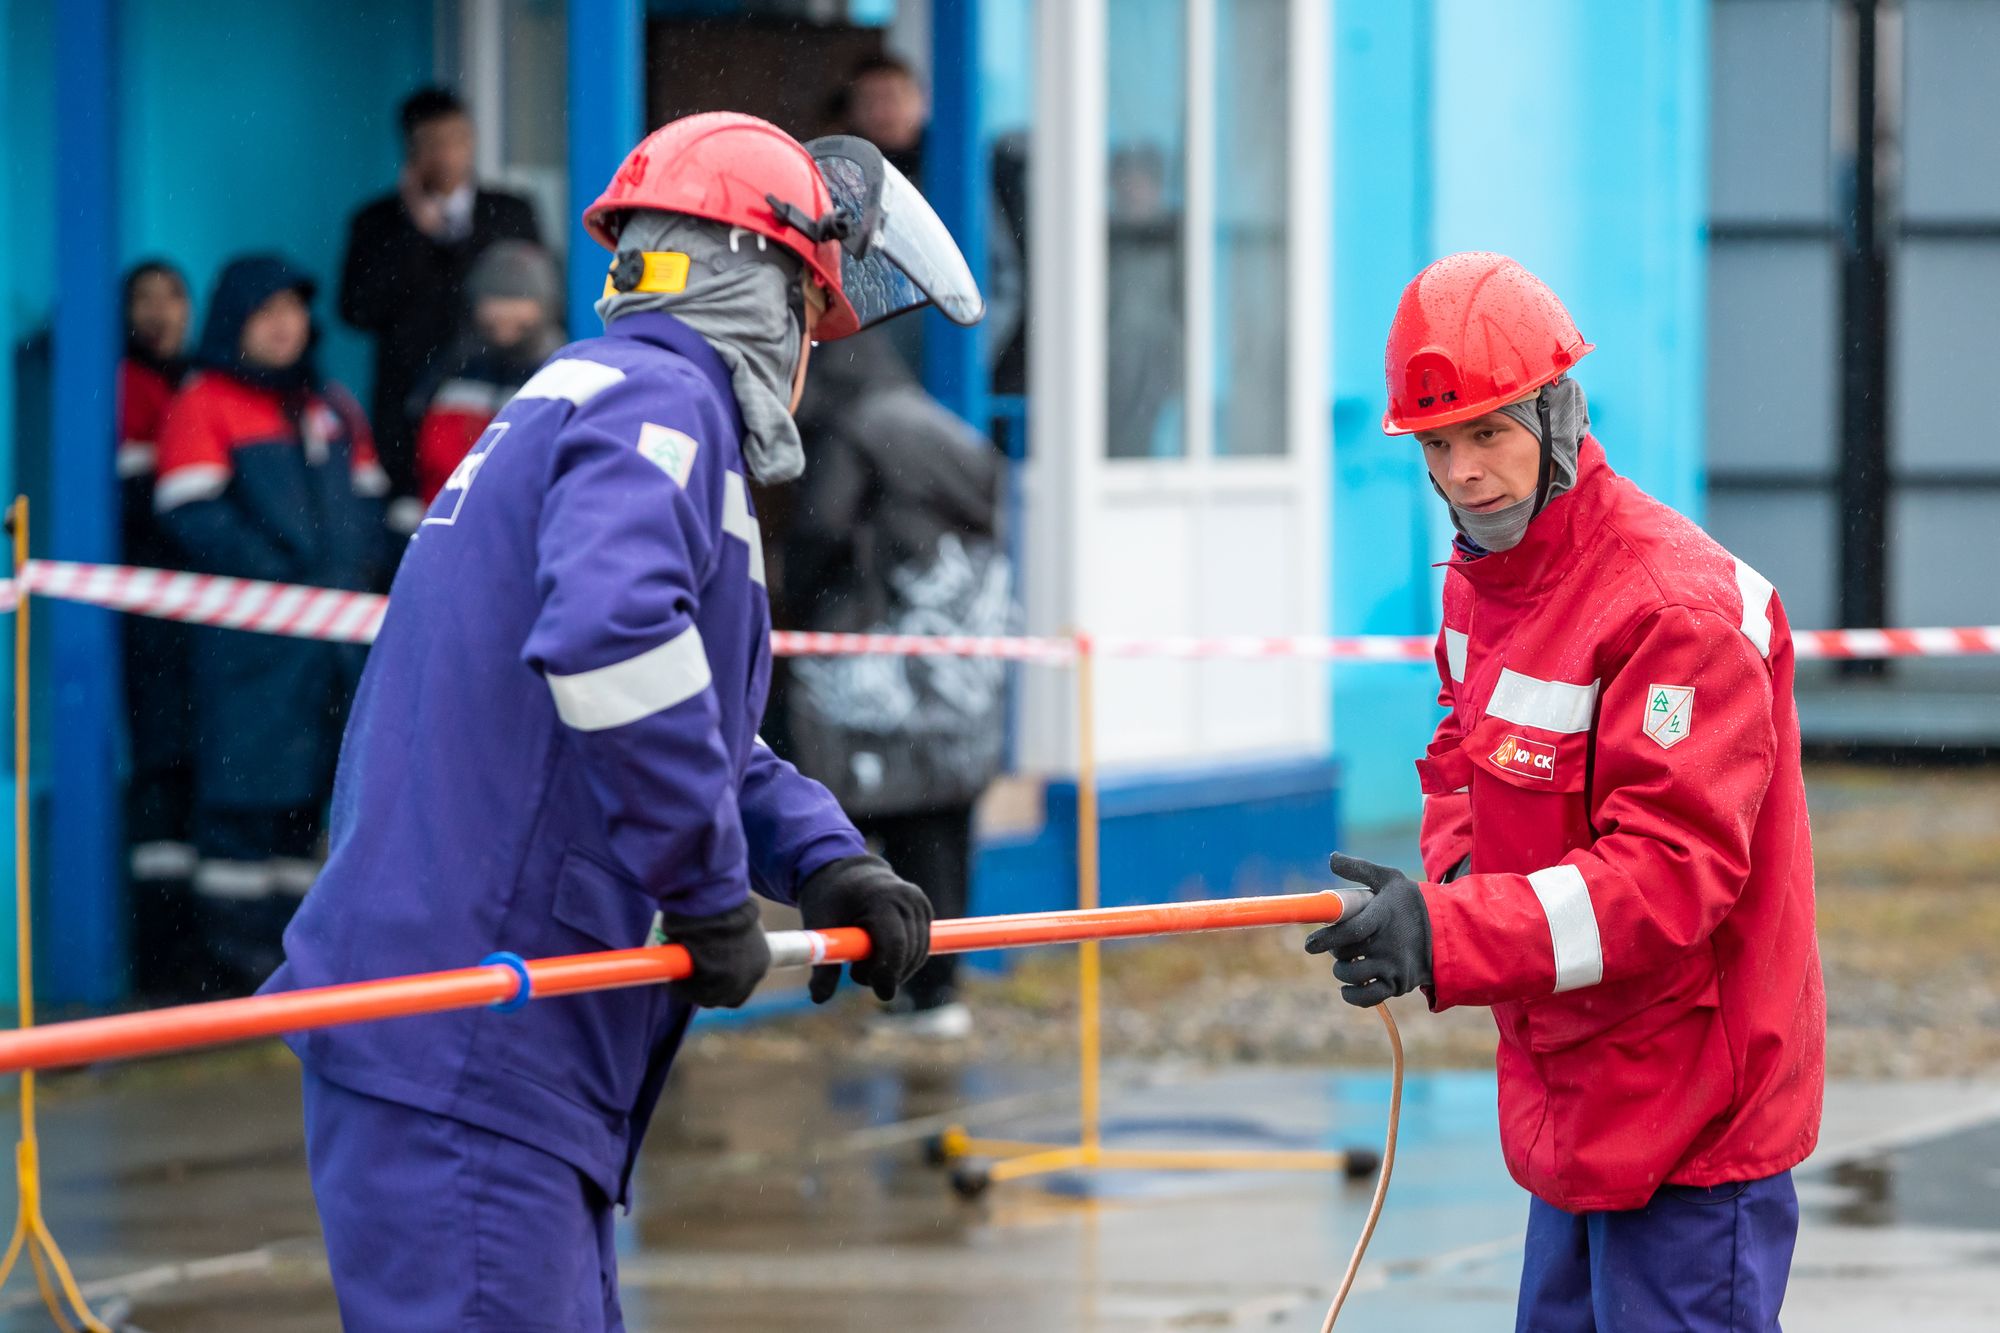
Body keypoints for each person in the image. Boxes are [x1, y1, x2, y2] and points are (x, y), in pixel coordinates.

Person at [264, 112, 986, 1329]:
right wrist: (706, 889)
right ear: (760, 288)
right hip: (478, 1039)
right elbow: (613, 648)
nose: (812, 349)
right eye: (811, 311)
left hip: (489, 1045)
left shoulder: (595, 400)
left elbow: (681, 713)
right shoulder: (661, 407)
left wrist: (826, 860)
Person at [1304, 253, 1823, 1331]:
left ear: (1559, 414)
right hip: (1572, 1094)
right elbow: (1459, 764)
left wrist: (1447, 935)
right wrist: (1439, 895)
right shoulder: (1479, 587)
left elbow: (1667, 879)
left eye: (1489, 432)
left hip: (1690, 1116)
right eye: (1438, 446)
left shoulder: (1669, 610)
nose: (1465, 472)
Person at [154, 256, 389, 995]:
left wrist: (341, 582)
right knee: (239, 812)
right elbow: (191, 511)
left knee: (302, 809)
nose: (285, 325)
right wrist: (282, 581)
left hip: (329, 650)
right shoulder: (205, 400)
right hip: (246, 649)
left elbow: (370, 508)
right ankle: (232, 976)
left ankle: (287, 969)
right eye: (267, 312)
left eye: (293, 309)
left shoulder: (333, 404)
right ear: (237, 322)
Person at [781, 330, 1010, 1038]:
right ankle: (939, 983)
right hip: (957, 670)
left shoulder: (853, 431)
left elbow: (820, 531)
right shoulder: (946, 429)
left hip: (881, 671)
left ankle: (905, 987)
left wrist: (788, 600)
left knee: (884, 824)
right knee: (941, 822)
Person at [339, 86, 540, 529]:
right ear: (411, 151)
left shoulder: (510, 211)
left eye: (459, 139)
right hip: (410, 408)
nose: (449, 154)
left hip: (499, 395)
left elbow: (531, 299)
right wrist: (417, 233)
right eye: (434, 143)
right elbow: (356, 310)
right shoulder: (377, 222)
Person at [117, 260, 204, 998]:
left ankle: (189, 953)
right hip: (148, 609)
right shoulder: (124, 386)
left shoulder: (199, 383)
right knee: (160, 771)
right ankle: (161, 957)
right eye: (142, 300)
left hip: (196, 613)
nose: (158, 312)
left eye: (170, 296)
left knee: (191, 770)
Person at [410, 239, 565, 505]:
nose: (504, 312)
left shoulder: (564, 374)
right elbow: (427, 456)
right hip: (450, 521)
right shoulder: (453, 370)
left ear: (545, 305)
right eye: (494, 299)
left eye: (519, 299)